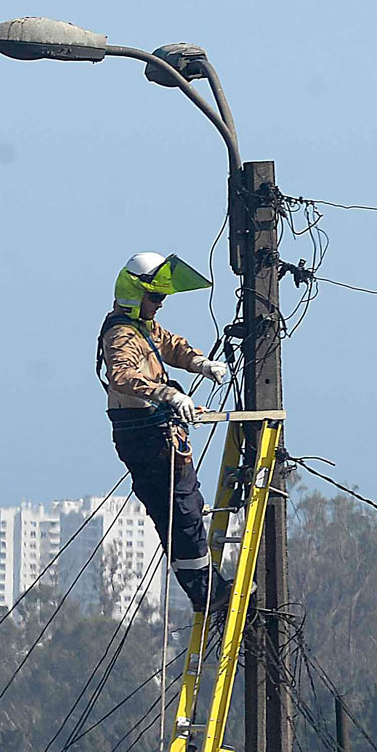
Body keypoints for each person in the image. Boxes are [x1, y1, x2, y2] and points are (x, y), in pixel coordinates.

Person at [97, 252, 233, 612]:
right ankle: (207, 592)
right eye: (155, 297)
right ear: (134, 293)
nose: (160, 304)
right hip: (148, 437)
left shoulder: (143, 327)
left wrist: (200, 363)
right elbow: (122, 376)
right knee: (182, 511)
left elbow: (170, 345)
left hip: (154, 434)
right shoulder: (122, 333)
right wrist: (167, 393)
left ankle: (209, 588)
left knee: (181, 510)